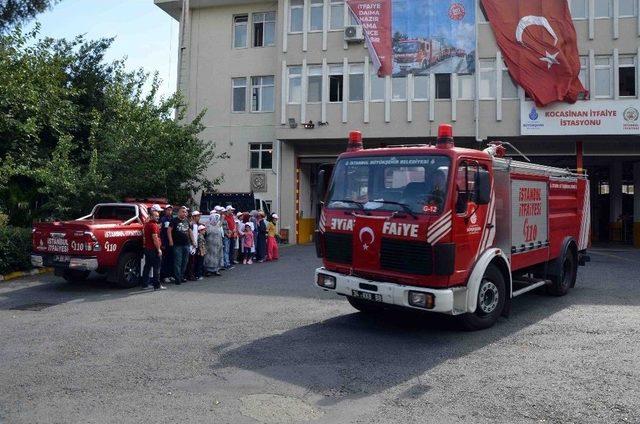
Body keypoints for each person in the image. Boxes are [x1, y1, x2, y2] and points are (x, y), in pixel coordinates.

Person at [141, 208, 166, 291]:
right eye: (155, 216)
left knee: (147, 266)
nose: (157, 217)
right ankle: (157, 285)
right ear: (151, 216)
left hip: (147, 249)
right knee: (157, 267)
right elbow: (155, 238)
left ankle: (144, 284)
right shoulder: (153, 225)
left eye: (158, 216)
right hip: (153, 249)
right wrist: (158, 249)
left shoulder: (147, 225)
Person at [168, 206, 194, 285]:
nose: (184, 213)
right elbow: (169, 231)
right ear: (179, 212)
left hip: (186, 244)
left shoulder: (187, 221)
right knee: (178, 262)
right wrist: (171, 240)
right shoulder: (174, 220)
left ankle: (181, 276)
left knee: (185, 262)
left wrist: (193, 241)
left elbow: (190, 231)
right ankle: (177, 278)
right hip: (177, 245)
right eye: (183, 212)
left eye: (185, 212)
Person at [204, 211, 224, 276]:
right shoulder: (208, 225)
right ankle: (208, 270)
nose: (216, 220)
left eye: (217, 219)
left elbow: (221, 222)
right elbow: (205, 233)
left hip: (218, 244)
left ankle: (216, 270)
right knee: (209, 257)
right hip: (210, 245)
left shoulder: (218, 225)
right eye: (215, 218)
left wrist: (222, 218)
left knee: (217, 256)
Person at [159, 204, 174, 284]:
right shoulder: (163, 219)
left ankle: (170, 275)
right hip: (165, 243)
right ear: (165, 211)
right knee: (164, 260)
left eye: (171, 210)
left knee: (171, 259)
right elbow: (162, 233)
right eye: (168, 210)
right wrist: (163, 243)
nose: (170, 211)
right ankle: (164, 276)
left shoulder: (172, 219)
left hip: (171, 243)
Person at [187, 210, 201, 280]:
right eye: (197, 216)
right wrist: (193, 243)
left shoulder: (197, 224)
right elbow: (190, 234)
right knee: (191, 261)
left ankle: (193, 274)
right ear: (193, 217)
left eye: (199, 216)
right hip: (191, 245)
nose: (199, 217)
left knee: (194, 260)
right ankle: (190, 275)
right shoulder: (191, 224)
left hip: (196, 244)